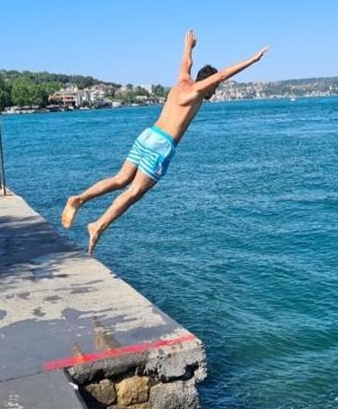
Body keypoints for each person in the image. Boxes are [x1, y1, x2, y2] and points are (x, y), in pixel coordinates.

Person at [61, 29, 269, 254]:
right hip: (161, 144)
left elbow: (186, 63)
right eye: (215, 88)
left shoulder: (182, 81)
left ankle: (79, 199)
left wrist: (188, 46)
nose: (215, 92)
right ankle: (98, 225)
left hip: (148, 134)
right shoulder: (197, 91)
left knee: (120, 179)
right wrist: (253, 59)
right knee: (135, 191)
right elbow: (223, 74)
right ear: (208, 83)